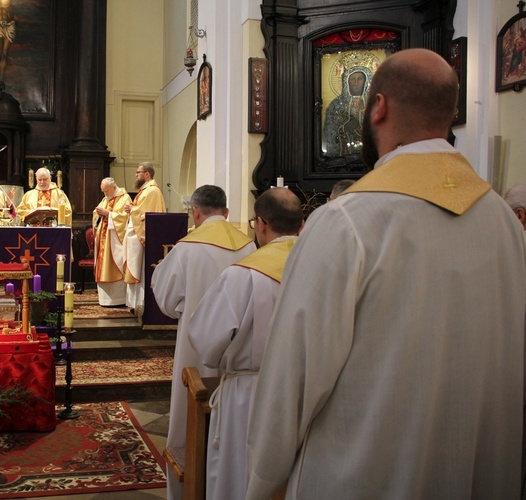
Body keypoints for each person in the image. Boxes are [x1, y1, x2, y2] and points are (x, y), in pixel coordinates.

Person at [246, 48, 526, 500]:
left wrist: (262, 481)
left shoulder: (346, 221)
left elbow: (290, 381)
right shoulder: (506, 225)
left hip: (361, 477)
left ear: (378, 107)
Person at [186, 187, 302, 500]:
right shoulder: (322, 269)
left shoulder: (243, 274)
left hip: (249, 398)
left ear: (261, 224)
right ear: (301, 225)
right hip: (307, 394)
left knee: (241, 478)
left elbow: (207, 340)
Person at [151, 184, 256, 500]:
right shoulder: (249, 247)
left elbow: (167, 301)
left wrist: (185, 307)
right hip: (238, 352)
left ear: (195, 212)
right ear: (226, 212)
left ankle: (186, 488)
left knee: (188, 417)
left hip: (194, 349)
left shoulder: (187, 247)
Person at [123, 162, 166, 313]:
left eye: (138, 172)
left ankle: (140, 303)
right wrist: (133, 209)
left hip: (141, 236)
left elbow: (147, 213)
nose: (136, 175)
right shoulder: (145, 190)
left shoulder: (152, 191)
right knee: (135, 269)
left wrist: (132, 209)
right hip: (135, 234)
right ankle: (135, 303)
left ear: (147, 174)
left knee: (140, 270)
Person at [92, 177, 132, 306]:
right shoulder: (106, 198)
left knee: (116, 264)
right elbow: (97, 213)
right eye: (103, 191)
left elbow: (126, 218)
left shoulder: (125, 198)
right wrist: (99, 214)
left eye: (106, 191)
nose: (105, 194)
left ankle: (119, 300)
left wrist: (109, 214)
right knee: (102, 267)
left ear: (114, 187)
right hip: (104, 239)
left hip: (115, 242)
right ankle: (104, 300)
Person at [323, 66, 372, 157]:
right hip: (343, 157)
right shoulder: (336, 105)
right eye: (352, 79)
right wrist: (343, 129)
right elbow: (329, 133)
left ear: (366, 81)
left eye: (360, 79)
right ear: (347, 82)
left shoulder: (373, 104)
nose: (356, 83)